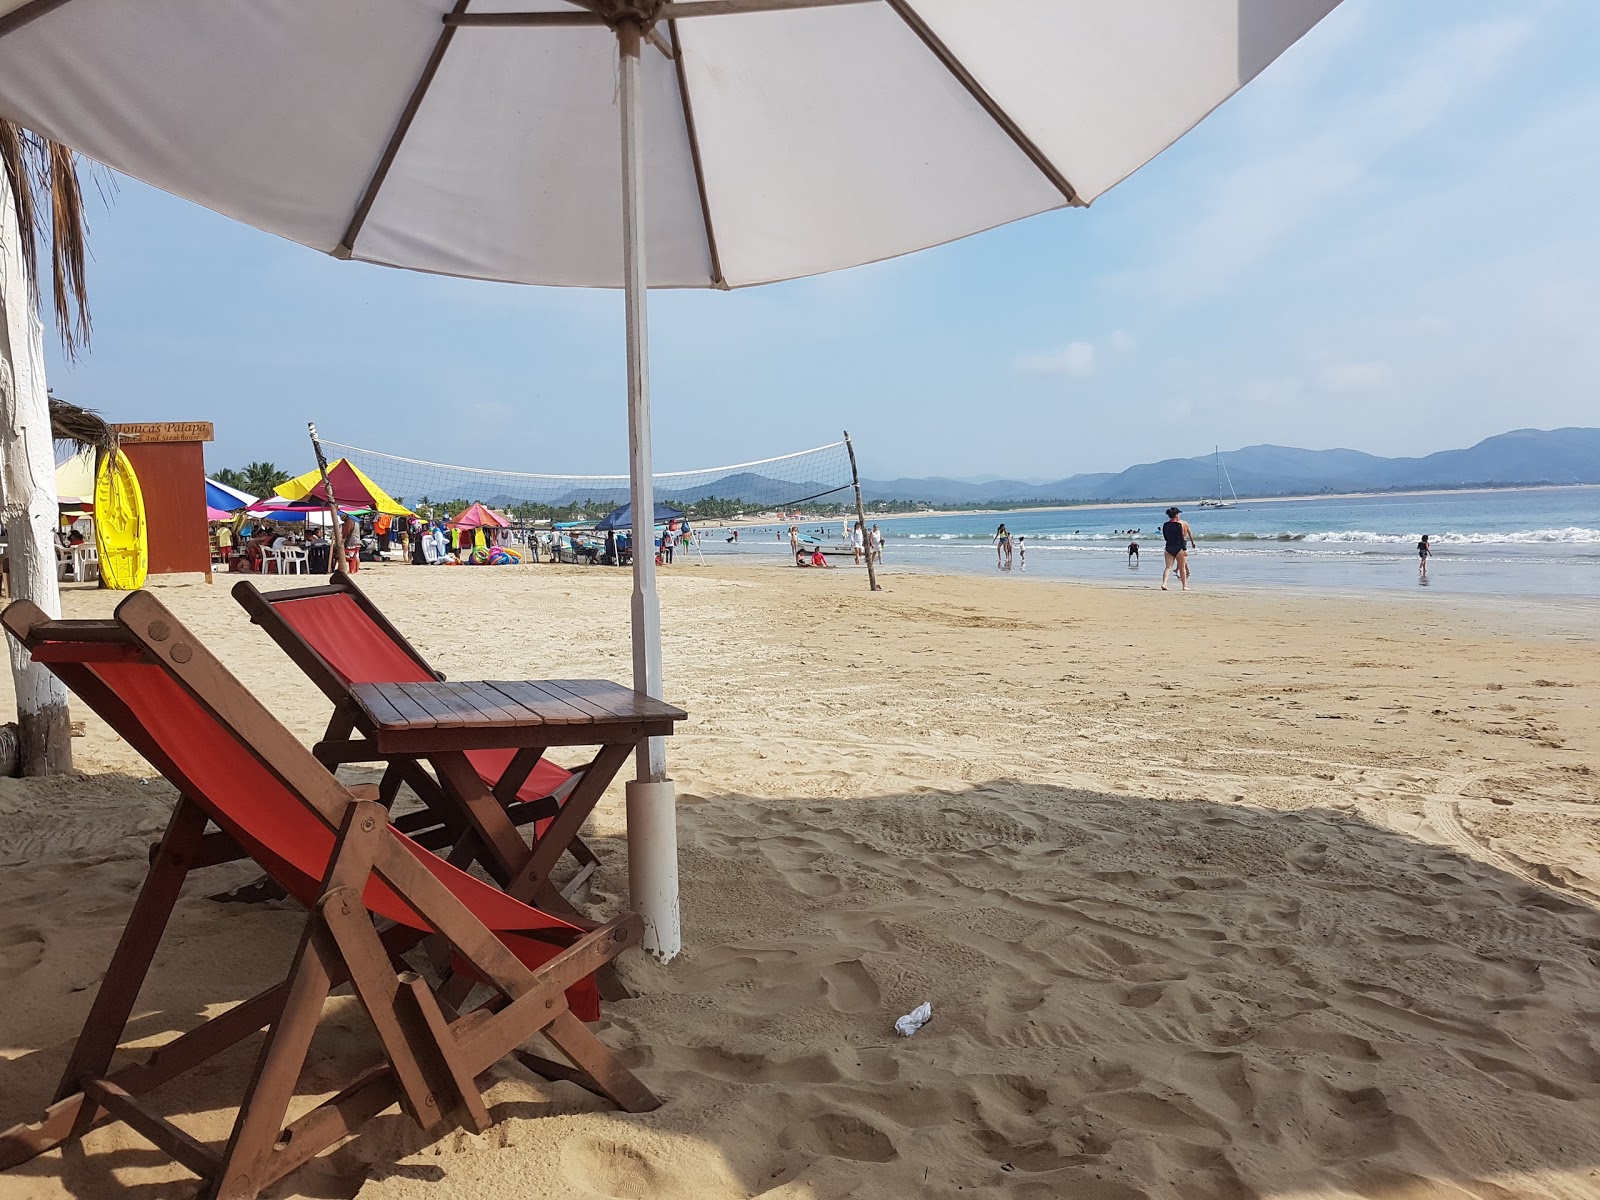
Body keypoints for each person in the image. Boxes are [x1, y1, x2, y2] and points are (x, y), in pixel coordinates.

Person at [1160, 506, 1195, 592]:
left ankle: (1164, 583)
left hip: (1168, 547)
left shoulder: (1165, 525)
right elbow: (1181, 538)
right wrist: (1184, 549)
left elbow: (1165, 537)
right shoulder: (1179, 525)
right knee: (1182, 567)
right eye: (1178, 513)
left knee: (1168, 567)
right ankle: (1184, 586)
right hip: (1179, 547)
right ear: (1176, 515)